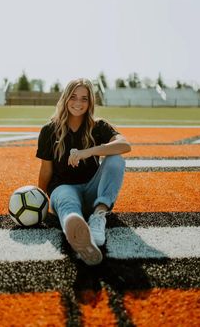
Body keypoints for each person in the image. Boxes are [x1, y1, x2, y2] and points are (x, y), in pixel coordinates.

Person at [36, 78, 131, 265]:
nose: (78, 103)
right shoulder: (49, 130)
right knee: (66, 202)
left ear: (90, 102)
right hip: (63, 188)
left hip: (92, 191)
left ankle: (98, 216)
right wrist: (41, 199)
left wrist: (87, 152)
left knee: (116, 158)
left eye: (84, 98)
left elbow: (125, 145)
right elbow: (46, 169)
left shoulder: (99, 126)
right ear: (65, 98)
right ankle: (76, 229)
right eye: (73, 97)